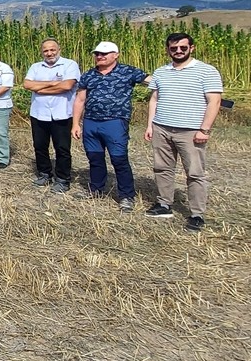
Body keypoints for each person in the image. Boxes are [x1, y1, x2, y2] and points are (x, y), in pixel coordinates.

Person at [144, 32, 223, 232]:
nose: (178, 51)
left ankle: (197, 214)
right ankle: (164, 204)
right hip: (162, 127)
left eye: (183, 48)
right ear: (168, 49)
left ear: (191, 48)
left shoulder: (206, 71)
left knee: (195, 172)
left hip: (191, 131)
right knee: (162, 168)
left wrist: (204, 129)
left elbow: (214, 101)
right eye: (173, 48)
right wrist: (150, 125)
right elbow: (154, 99)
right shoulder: (161, 72)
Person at [71, 41, 149, 213]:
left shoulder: (128, 71)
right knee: (95, 158)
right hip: (91, 122)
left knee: (119, 160)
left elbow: (153, 81)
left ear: (116, 55)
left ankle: (126, 196)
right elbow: (80, 100)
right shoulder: (89, 74)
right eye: (97, 53)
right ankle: (96, 190)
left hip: (115, 122)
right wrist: (76, 123)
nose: (100, 56)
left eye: (104, 54)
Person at [22, 38, 81, 193]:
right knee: (40, 146)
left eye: (52, 50)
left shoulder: (70, 64)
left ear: (58, 49)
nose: (49, 53)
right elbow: (27, 84)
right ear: (42, 52)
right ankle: (44, 173)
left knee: (62, 148)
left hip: (61, 114)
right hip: (38, 114)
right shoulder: (36, 67)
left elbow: (67, 86)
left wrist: (40, 88)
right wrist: (54, 83)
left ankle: (62, 179)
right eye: (46, 51)